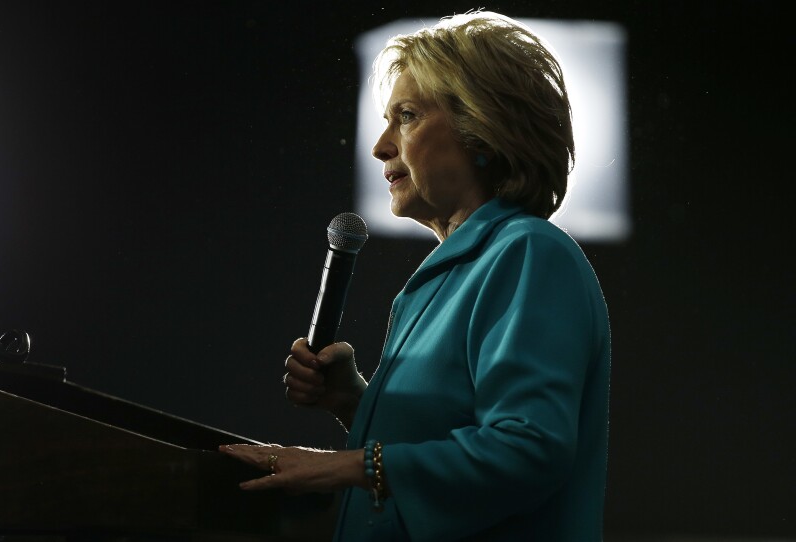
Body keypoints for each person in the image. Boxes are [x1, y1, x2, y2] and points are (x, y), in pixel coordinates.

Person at [220, 9, 611, 541]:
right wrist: (353, 401)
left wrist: (339, 466)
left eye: (405, 115)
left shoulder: (529, 254)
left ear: (481, 131)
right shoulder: (454, 272)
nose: (381, 145)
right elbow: (446, 440)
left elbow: (527, 450)